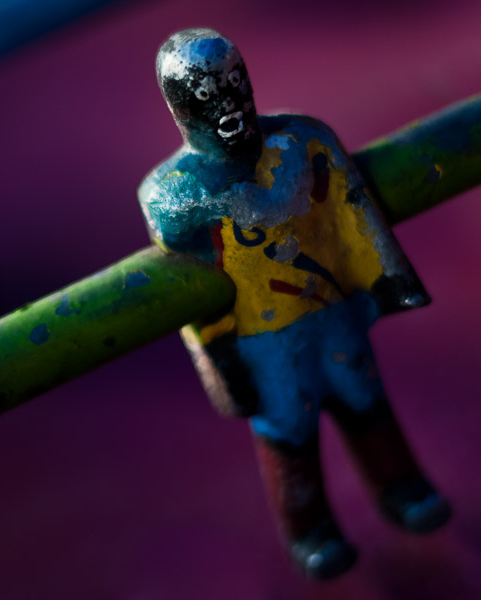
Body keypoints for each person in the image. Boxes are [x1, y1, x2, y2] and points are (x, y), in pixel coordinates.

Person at [138, 28, 450, 579]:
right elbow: (185, 268)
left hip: (332, 313)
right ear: (181, 107)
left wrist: (388, 282)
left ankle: (401, 487)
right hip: (266, 337)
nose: (228, 105)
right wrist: (218, 358)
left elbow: (353, 207)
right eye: (207, 96)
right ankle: (310, 528)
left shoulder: (303, 140)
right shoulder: (176, 191)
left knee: (366, 399)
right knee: (287, 428)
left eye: (235, 84)